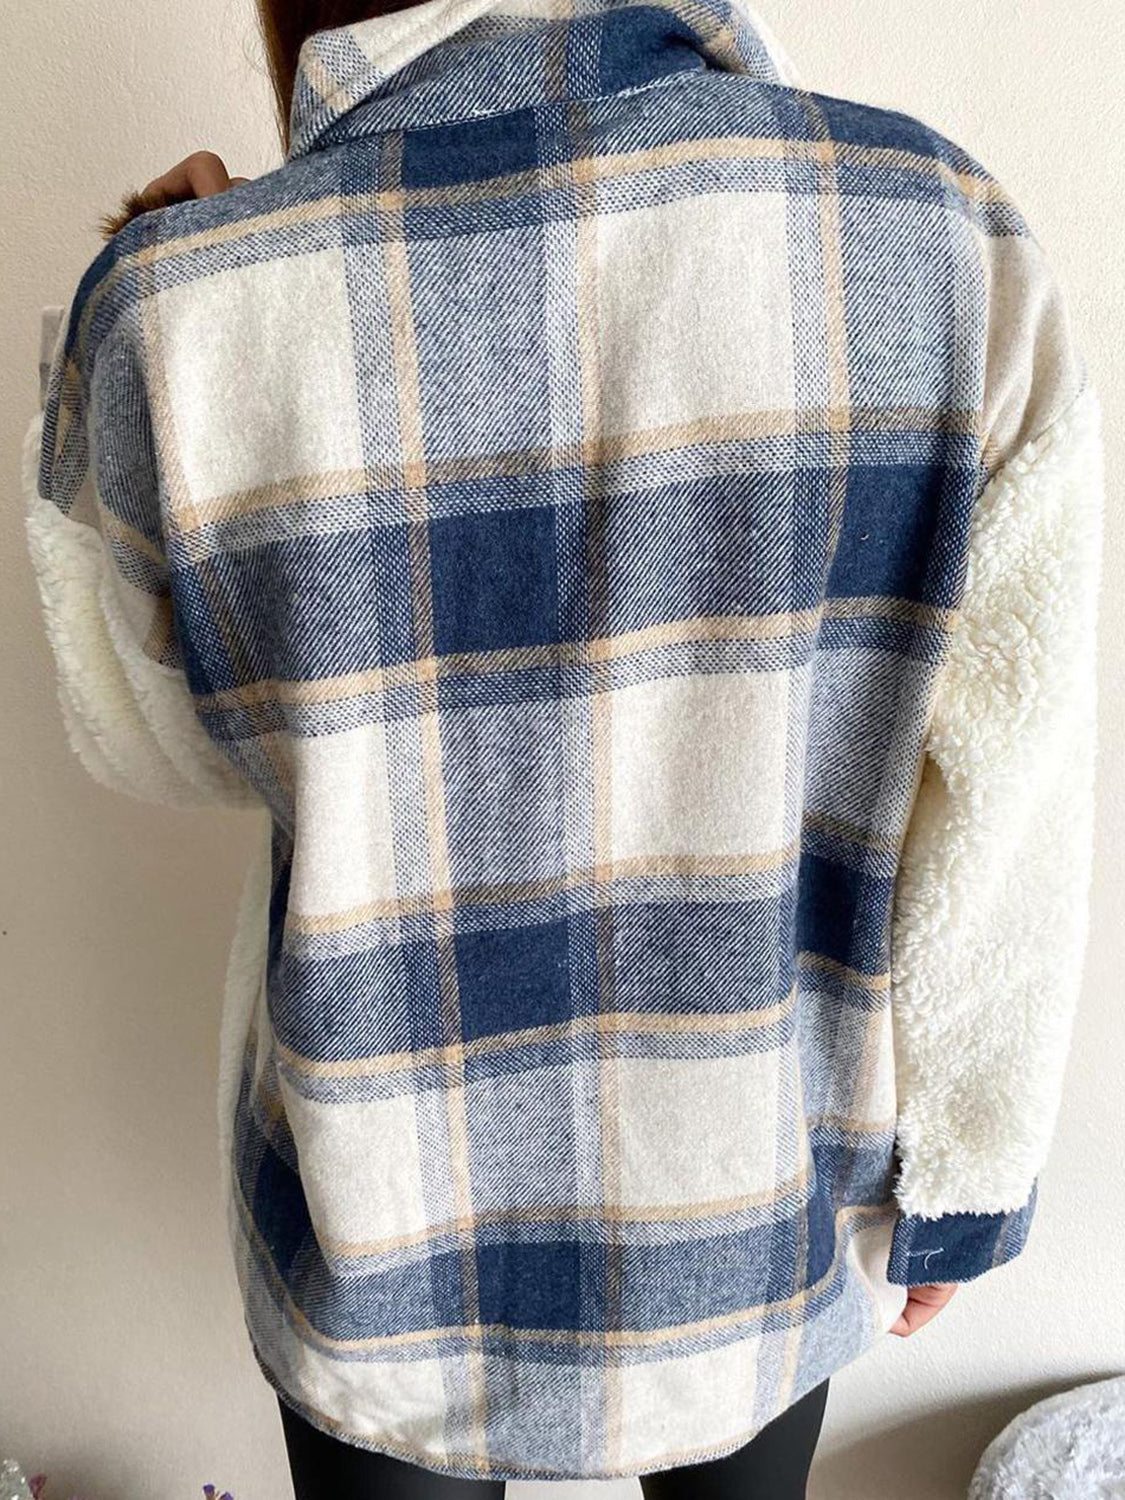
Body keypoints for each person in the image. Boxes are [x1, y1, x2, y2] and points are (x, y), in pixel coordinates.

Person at [24, 0, 1103, 1494]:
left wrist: (124, 309)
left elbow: (159, 748)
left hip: (380, 1204)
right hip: (751, 1195)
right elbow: (1009, 797)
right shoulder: (941, 235)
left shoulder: (178, 300)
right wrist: (967, 1180)